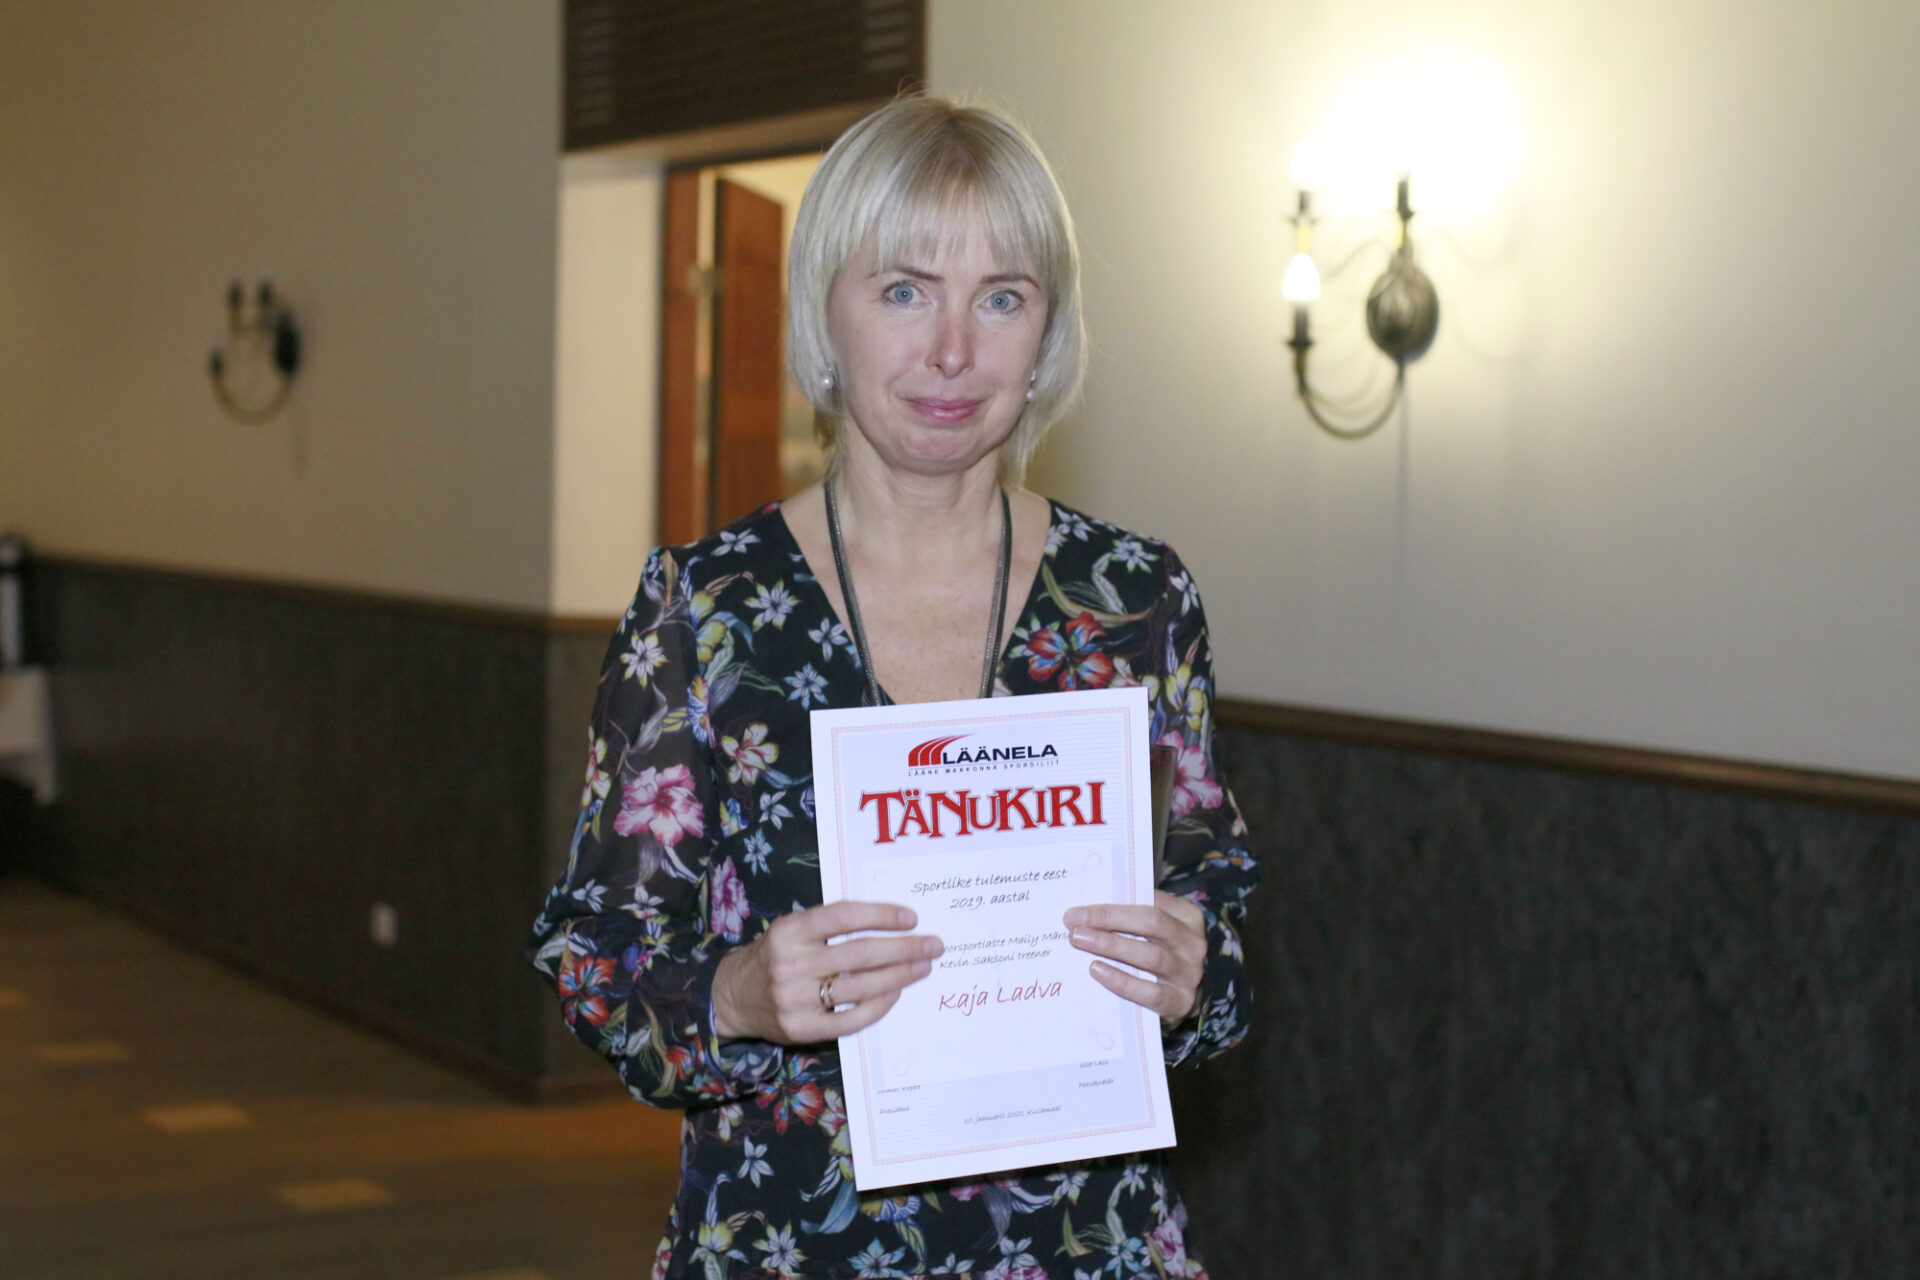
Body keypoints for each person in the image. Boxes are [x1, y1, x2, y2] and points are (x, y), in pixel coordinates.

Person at [528, 95, 1258, 1280]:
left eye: (1003, 297)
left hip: (1083, 1244)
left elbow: (1218, 936)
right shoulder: (704, 611)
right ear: (827, 310)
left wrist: (1193, 972)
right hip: (788, 1241)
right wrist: (740, 993)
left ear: (1048, 333)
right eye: (906, 290)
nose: (953, 350)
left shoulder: (1135, 601)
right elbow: (596, 959)